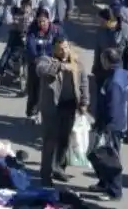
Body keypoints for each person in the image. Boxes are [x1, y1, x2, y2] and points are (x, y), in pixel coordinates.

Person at [35, 37, 89, 187]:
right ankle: (45, 174)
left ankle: (58, 168)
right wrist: (59, 67)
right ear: (54, 49)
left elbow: (84, 83)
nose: (64, 51)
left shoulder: (76, 62)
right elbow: (40, 70)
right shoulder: (46, 60)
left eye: (66, 47)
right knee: (50, 141)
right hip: (52, 107)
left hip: (69, 106)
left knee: (64, 141)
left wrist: (84, 102)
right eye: (60, 48)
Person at [90, 47, 128, 201]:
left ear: (107, 61)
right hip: (118, 123)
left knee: (110, 157)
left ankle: (115, 191)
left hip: (112, 125)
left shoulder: (114, 81)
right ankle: (104, 183)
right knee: (99, 154)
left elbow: (113, 107)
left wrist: (107, 127)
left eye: (102, 59)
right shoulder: (123, 74)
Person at [25, 8, 63, 122]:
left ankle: (51, 115)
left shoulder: (56, 30)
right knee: (34, 90)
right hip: (36, 64)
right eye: (39, 21)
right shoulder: (32, 30)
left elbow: (62, 43)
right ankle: (32, 113)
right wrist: (36, 58)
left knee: (52, 91)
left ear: (49, 20)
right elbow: (30, 46)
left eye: (44, 21)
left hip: (52, 65)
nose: (42, 24)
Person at [92, 8, 128, 90]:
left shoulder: (127, 32)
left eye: (102, 21)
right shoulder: (101, 30)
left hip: (120, 75)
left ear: (110, 22)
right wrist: (96, 69)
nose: (100, 23)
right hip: (103, 74)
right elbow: (98, 50)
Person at [0, 0, 35, 87]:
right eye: (24, 7)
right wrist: (15, 21)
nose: (25, 9)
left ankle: (30, 76)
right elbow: (8, 20)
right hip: (16, 36)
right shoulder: (16, 14)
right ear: (21, 7)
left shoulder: (34, 16)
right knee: (8, 53)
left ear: (31, 8)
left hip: (29, 38)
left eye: (28, 7)